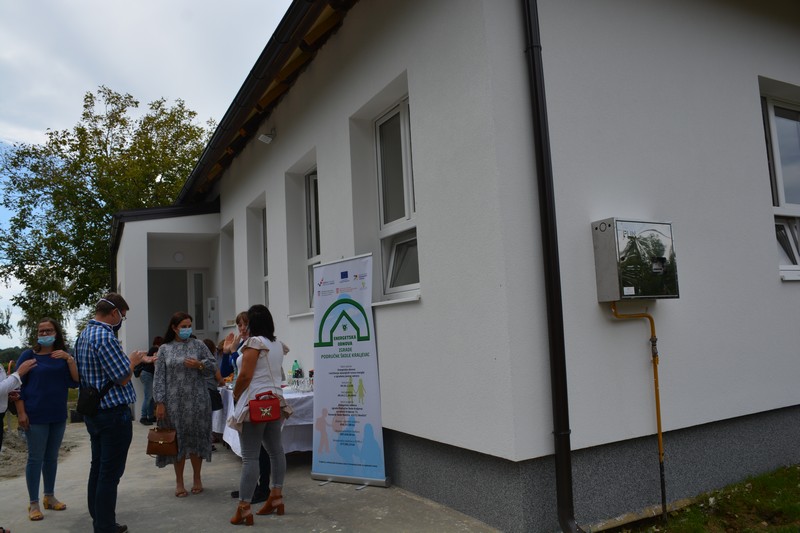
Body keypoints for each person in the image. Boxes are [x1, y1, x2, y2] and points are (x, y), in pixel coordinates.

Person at [75, 293, 145, 533]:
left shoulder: (84, 335)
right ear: (114, 313)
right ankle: (104, 526)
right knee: (109, 473)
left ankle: (99, 517)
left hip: (94, 412)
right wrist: (133, 361)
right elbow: (123, 377)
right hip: (112, 414)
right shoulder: (105, 337)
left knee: (98, 468)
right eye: (122, 316)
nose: (122, 321)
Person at [14, 318, 80, 521]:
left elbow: (76, 382)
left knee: (51, 458)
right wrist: (21, 413)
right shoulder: (28, 355)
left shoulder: (61, 356)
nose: (44, 334)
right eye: (41, 331)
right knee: (35, 459)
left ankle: (49, 497)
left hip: (58, 415)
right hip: (35, 416)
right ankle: (33, 503)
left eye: (48, 330)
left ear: (57, 333)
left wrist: (69, 359)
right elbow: (16, 388)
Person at [229, 304, 289, 526]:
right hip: (274, 402)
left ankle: (244, 507)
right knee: (276, 451)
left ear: (252, 323)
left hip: (254, 402)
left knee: (250, 457)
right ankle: (276, 496)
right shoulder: (276, 344)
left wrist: (235, 395)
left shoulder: (255, 343)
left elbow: (245, 375)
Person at [153, 312, 216, 497]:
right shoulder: (165, 349)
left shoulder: (199, 345)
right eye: (183, 326)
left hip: (198, 401)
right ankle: (179, 481)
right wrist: (160, 402)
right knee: (177, 441)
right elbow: (159, 378)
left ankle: (197, 477)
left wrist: (199, 365)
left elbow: (213, 367)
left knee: (196, 439)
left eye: (189, 326)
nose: (187, 329)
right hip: (173, 404)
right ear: (174, 328)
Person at [135, 336, 162, 425]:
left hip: (147, 374)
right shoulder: (155, 349)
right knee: (148, 396)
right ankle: (143, 417)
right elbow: (155, 362)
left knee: (151, 397)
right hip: (147, 374)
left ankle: (150, 416)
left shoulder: (153, 349)